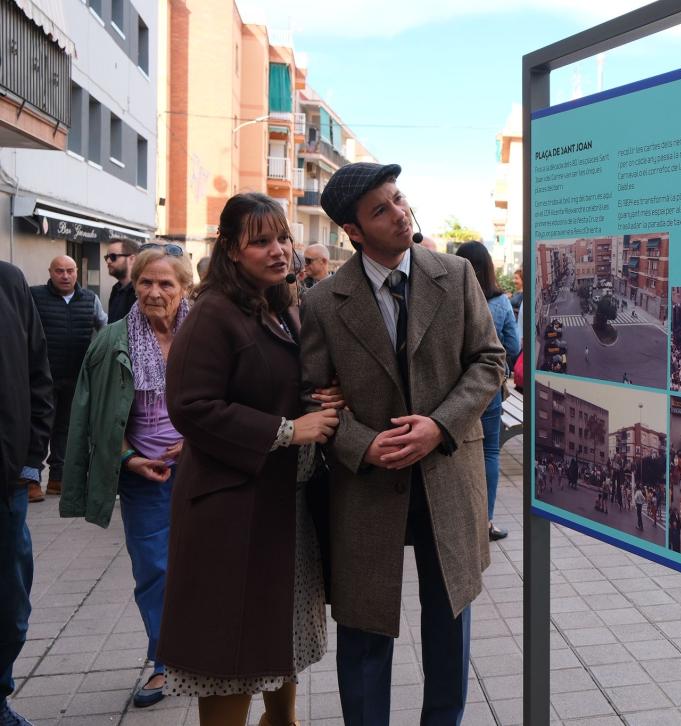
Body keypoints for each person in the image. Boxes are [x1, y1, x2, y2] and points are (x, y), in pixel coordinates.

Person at [301, 162, 505, 725]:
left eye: (399, 199)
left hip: (446, 475)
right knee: (365, 630)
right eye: (380, 210)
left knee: (449, 621)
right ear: (354, 232)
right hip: (367, 488)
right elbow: (312, 396)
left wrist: (439, 425)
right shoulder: (323, 302)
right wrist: (361, 444)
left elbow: (490, 362)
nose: (399, 214)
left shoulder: (456, 275)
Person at [158, 193, 341, 725]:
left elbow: (286, 382)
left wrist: (326, 398)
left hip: (280, 506)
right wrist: (288, 430)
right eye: (260, 241)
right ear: (231, 251)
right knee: (230, 652)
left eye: (282, 237)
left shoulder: (282, 304)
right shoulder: (213, 312)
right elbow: (190, 408)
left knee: (273, 640)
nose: (279, 250)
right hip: (231, 515)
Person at [60, 245, 193, 708]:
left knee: (207, 564)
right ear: (133, 285)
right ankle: (164, 662)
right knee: (154, 568)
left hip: (204, 471)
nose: (154, 292)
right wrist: (128, 458)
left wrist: (197, 442)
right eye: (145, 283)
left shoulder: (205, 334)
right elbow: (94, 414)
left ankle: (206, 653)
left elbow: (234, 396)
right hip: (144, 476)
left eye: (165, 284)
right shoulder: (111, 339)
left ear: (185, 288)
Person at [0, 262, 53, 726]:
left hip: (8, 484)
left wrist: (30, 456)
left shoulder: (8, 282)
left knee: (11, 607)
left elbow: (38, 373)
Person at [455, 241, 520, 542]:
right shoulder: (500, 302)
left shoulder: (449, 297)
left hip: (453, 388)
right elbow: (514, 346)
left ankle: (456, 520)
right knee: (489, 451)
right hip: (488, 387)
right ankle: (486, 521)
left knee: (454, 450)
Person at [29, 255, 107, 500]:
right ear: (50, 272)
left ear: (76, 273)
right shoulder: (35, 296)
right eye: (60, 271)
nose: (65, 276)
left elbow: (105, 329)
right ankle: (31, 478)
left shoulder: (89, 299)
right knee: (38, 426)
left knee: (65, 428)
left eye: (70, 271)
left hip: (75, 376)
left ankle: (57, 480)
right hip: (42, 376)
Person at [105, 238, 139, 323]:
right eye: (107, 257)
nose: (108, 261)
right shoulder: (116, 290)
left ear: (132, 259)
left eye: (113, 257)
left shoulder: (139, 291)